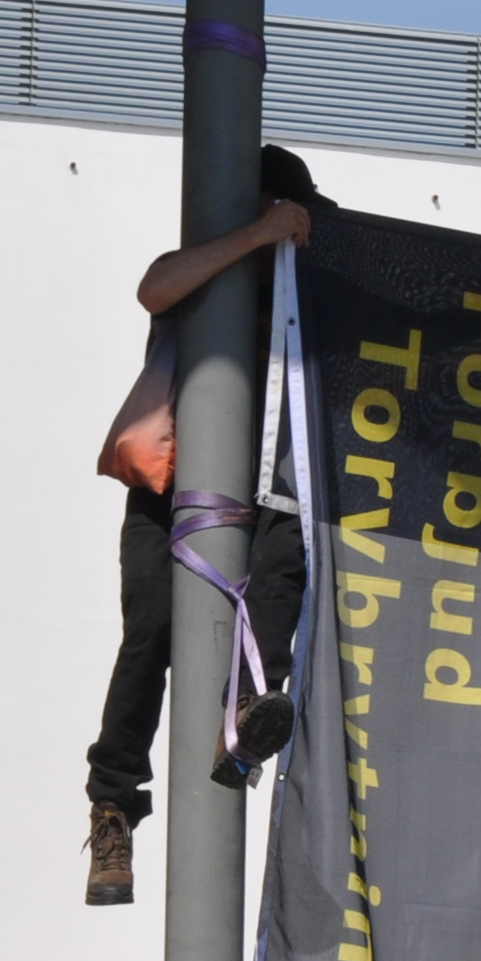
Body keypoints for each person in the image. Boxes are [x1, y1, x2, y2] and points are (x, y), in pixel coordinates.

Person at [84, 143, 320, 905]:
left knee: (287, 561)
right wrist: (254, 238)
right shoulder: (208, 268)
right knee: (150, 630)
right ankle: (113, 802)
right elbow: (155, 288)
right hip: (168, 493)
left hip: (265, 493)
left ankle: (252, 709)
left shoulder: (302, 294)